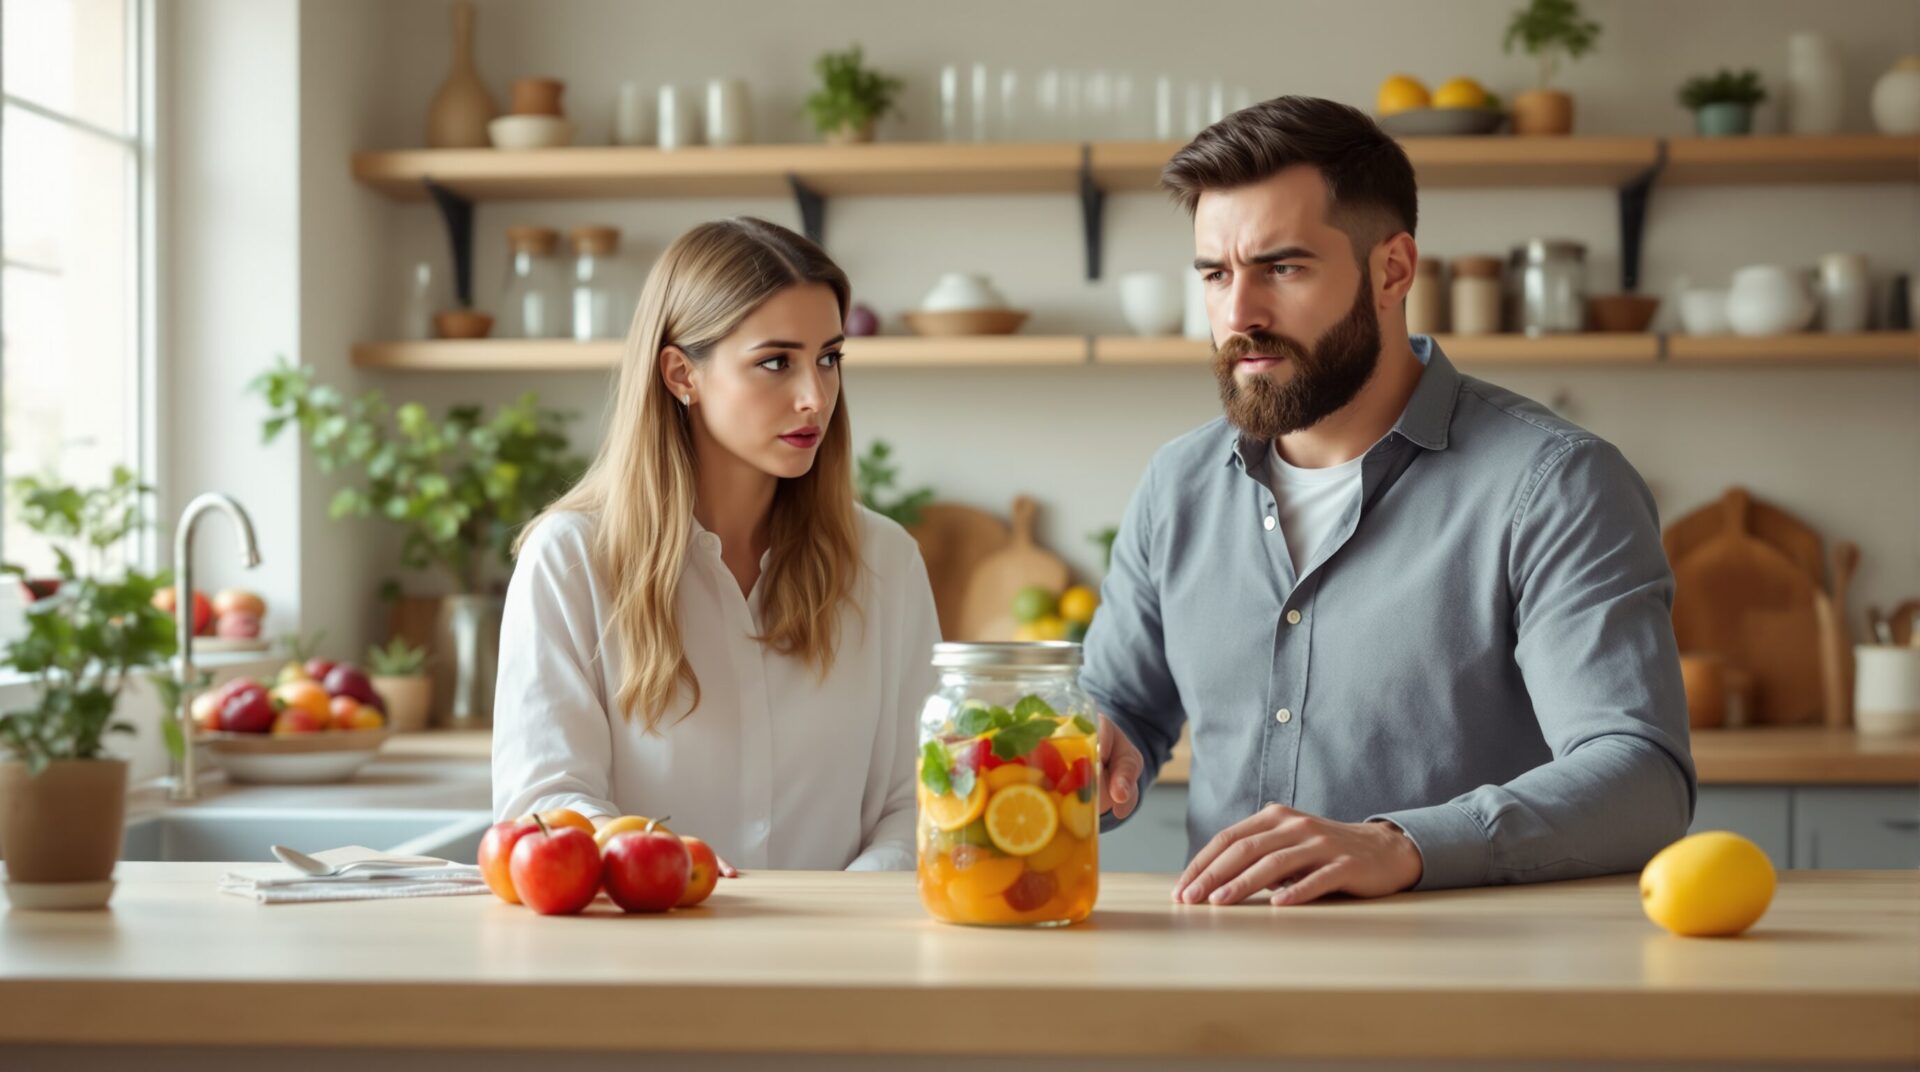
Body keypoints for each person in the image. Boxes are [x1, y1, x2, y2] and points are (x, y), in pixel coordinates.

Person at [1085, 96, 1695, 907]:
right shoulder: (1177, 485)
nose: (1240, 315)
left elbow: (1642, 777)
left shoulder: (1553, 486)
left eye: (1283, 267)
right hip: (1225, 992)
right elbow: (1121, 705)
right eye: (1215, 274)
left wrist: (1402, 844)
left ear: (1394, 270)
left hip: (1464, 989)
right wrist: (1092, 750)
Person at [492, 217, 939, 872]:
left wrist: (845, 917)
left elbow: (918, 798)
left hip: (844, 960)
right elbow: (544, 801)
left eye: (828, 358)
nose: (816, 396)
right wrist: (663, 867)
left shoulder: (885, 560)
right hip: (640, 955)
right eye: (775, 363)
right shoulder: (570, 559)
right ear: (680, 374)